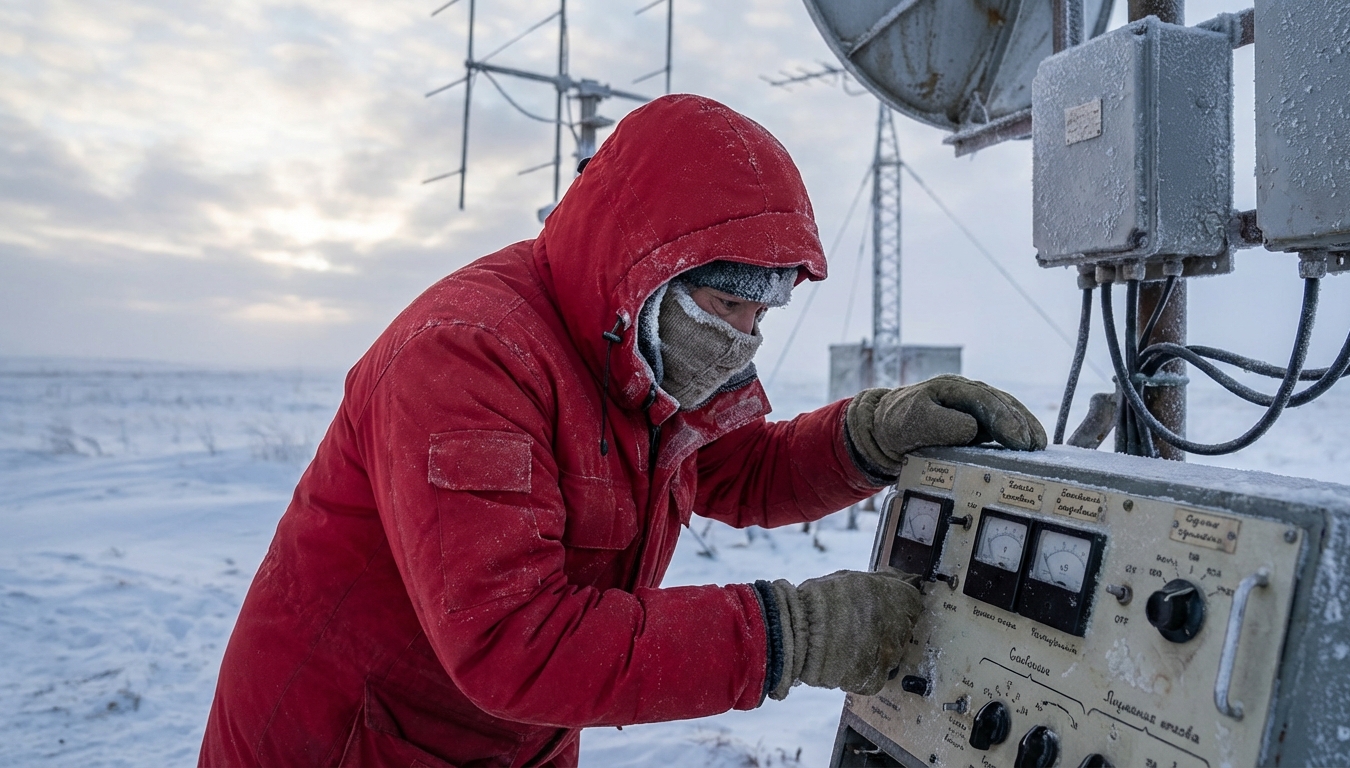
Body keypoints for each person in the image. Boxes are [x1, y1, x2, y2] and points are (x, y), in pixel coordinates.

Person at [199, 94, 1045, 767]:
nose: (744, 338)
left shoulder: (641, 348)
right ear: (648, 267)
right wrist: (797, 634)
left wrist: (868, 437)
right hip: (352, 742)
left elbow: (736, 470)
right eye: (726, 304)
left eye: (762, 312)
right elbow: (513, 642)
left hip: (511, 742)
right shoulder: (467, 358)